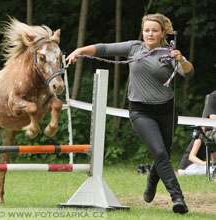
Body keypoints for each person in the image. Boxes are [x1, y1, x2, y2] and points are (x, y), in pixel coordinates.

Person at [66, 13, 194, 214]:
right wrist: (79, 50)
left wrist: (181, 59)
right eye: (146, 30)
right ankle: (177, 198)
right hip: (140, 111)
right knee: (160, 153)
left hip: (166, 110)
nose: (149, 34)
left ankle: (152, 180)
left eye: (154, 30)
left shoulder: (169, 52)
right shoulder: (134, 48)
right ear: (142, 31)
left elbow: (187, 73)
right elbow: (105, 48)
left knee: (163, 154)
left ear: (162, 33)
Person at [178, 91, 216, 176]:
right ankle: (182, 173)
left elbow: (213, 153)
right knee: (210, 170)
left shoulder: (209, 139)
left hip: (197, 166)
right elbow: (191, 156)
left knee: (212, 169)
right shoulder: (200, 137)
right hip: (189, 166)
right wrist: (203, 163)